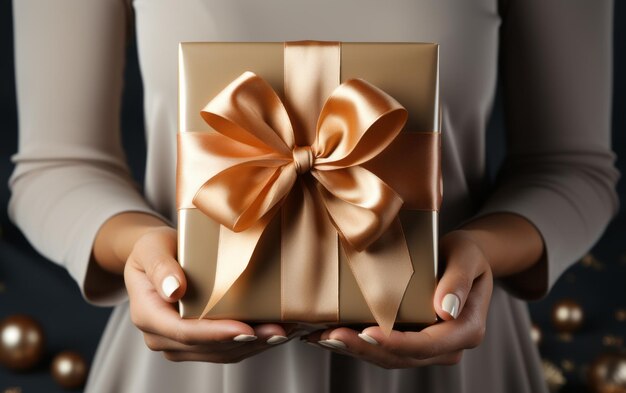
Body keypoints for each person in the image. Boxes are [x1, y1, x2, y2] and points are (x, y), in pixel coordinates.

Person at [8, 0, 618, 392]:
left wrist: (481, 251)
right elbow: (55, 165)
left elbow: (572, 167)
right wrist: (141, 246)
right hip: (183, 370)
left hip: (453, 358)